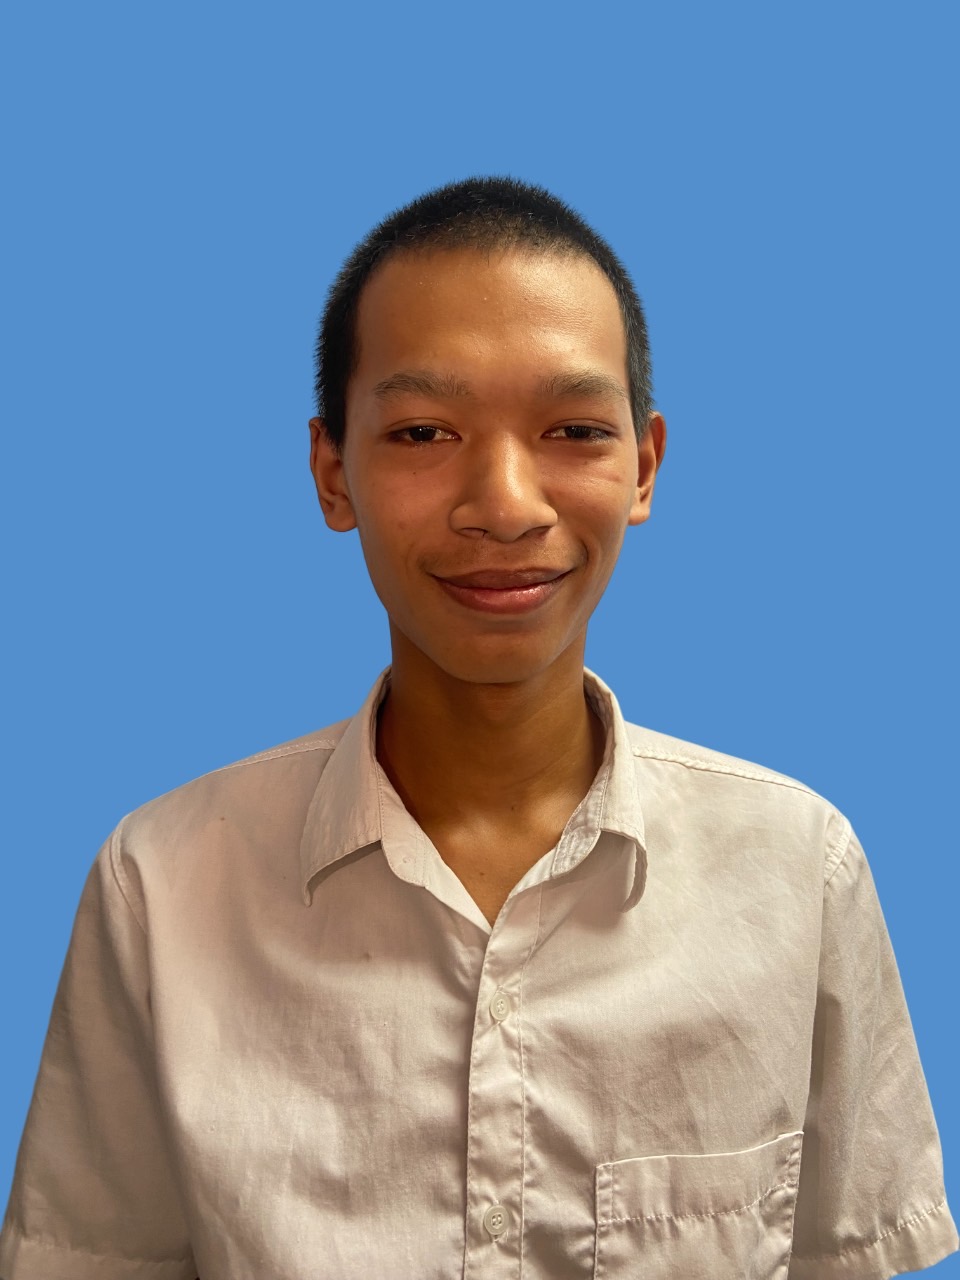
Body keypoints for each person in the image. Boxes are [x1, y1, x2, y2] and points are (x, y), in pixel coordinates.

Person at [0, 177, 955, 1280]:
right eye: (423, 431)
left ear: (643, 467)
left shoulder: (796, 870)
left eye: (573, 430)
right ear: (332, 473)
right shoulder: (162, 885)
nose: (504, 504)